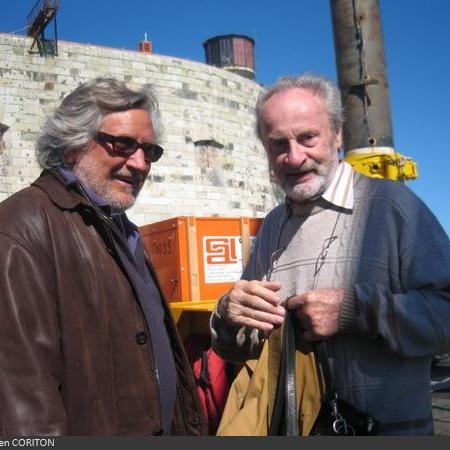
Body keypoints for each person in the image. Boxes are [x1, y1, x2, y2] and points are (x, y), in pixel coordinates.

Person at [211, 73, 450, 435]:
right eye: (278, 144)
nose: (294, 157)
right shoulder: (273, 225)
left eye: (308, 137)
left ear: (337, 134)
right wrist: (229, 315)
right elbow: (241, 348)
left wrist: (356, 311)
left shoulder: (393, 208)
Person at [0, 78, 206, 436]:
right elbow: (22, 402)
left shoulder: (122, 228)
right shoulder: (22, 226)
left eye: (149, 151)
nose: (140, 164)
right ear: (72, 144)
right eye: (123, 145)